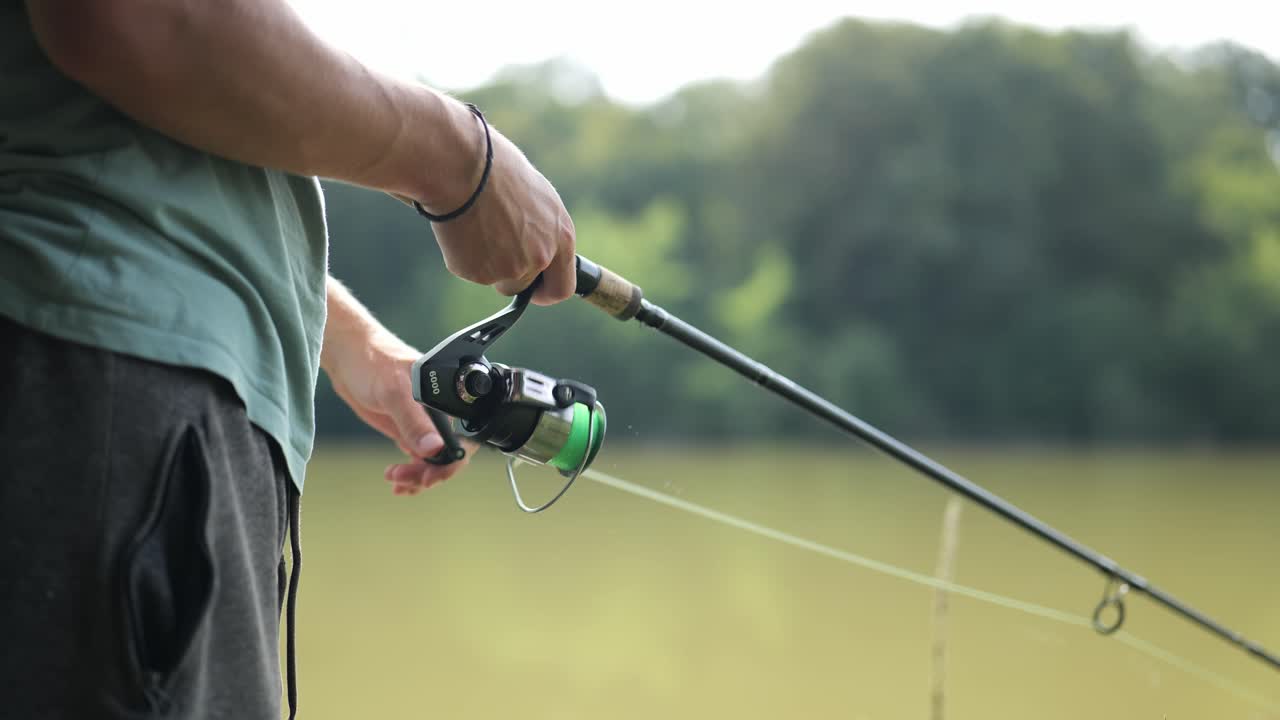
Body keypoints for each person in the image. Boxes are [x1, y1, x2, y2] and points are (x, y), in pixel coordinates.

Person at [0, 1, 578, 718]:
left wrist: (341, 338)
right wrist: (461, 159)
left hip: (129, 396)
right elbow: (141, 19)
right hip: (101, 390)